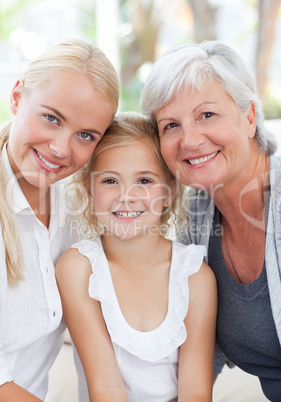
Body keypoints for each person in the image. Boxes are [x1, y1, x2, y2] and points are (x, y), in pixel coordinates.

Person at [140, 40, 281, 401]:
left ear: (249, 117)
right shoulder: (196, 221)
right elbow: (201, 356)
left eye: (207, 115)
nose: (189, 139)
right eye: (170, 125)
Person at [56, 112, 217, 402]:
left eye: (144, 180)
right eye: (109, 181)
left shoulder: (194, 275)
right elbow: (105, 388)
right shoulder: (79, 268)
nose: (127, 195)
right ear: (88, 191)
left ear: (170, 191)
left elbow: (196, 391)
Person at [0, 38, 119, 401]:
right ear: (17, 97)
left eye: (85, 135)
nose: (60, 149)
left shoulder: (79, 210)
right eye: (51, 118)